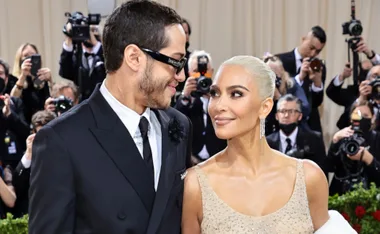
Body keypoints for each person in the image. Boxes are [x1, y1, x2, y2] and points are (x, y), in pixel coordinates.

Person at [29, 1, 192, 234]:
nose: (182, 75)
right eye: (175, 62)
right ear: (134, 58)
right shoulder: (61, 140)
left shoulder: (178, 126)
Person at [182, 55, 330, 233]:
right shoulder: (194, 184)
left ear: (265, 107)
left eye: (236, 94)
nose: (218, 105)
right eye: (215, 93)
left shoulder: (309, 178)